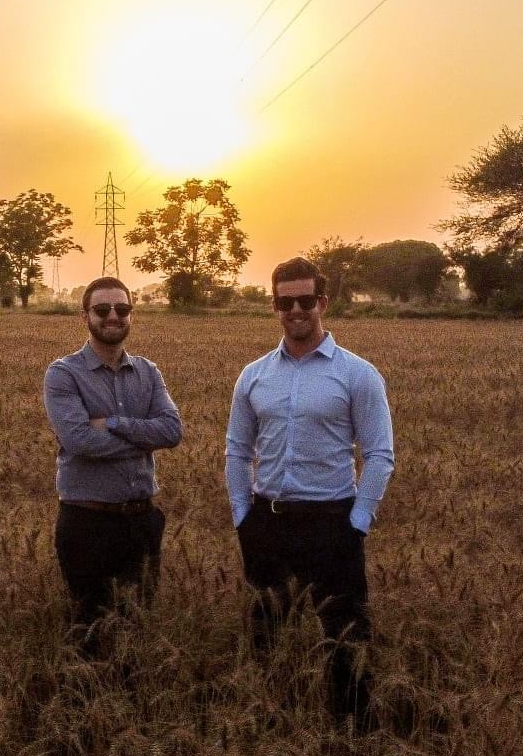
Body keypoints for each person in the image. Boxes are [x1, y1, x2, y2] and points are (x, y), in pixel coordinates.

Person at [225, 255, 395, 726]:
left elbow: (380, 455)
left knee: (346, 639)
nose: (296, 310)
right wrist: (244, 516)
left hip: (332, 522)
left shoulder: (358, 373)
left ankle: (353, 736)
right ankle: (271, 727)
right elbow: (237, 450)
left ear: (322, 302)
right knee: (266, 636)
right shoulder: (254, 375)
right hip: (268, 521)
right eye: (286, 302)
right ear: (274, 306)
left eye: (305, 300)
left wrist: (356, 524)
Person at [42, 276, 183, 656]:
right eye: (102, 310)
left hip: (141, 520)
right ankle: (88, 709)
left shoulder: (148, 372)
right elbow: (79, 441)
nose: (113, 317)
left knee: (138, 626)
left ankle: (130, 709)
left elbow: (172, 431)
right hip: (88, 523)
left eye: (122, 309)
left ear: (131, 315)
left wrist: (116, 424)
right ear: (84, 315)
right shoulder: (63, 374)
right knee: (89, 631)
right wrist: (141, 440)